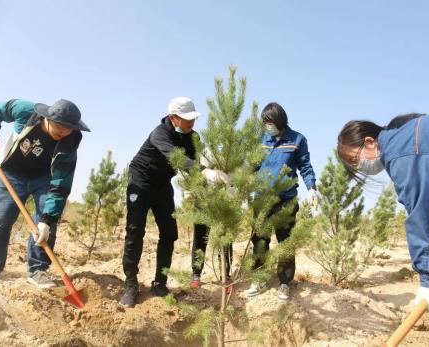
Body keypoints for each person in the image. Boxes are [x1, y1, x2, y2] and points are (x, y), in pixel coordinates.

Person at [337, 112, 429, 347]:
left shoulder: (402, 151)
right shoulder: (406, 137)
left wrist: (428, 279)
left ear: (370, 142)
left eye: (355, 159)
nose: (360, 167)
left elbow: (420, 213)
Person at [0, 99, 90, 289]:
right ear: (47, 117)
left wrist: (47, 219)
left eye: (69, 128)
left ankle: (38, 269)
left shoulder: (69, 144)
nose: (63, 132)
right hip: (12, 173)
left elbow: (60, 186)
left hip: (44, 180)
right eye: (59, 126)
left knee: (46, 225)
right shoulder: (26, 112)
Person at [120, 97, 227, 308]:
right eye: (186, 119)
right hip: (141, 181)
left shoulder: (193, 138)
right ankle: (130, 284)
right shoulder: (160, 133)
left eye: (193, 118)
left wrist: (206, 181)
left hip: (162, 185)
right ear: (173, 118)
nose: (191, 122)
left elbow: (197, 163)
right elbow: (175, 158)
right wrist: (204, 171)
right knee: (135, 230)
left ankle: (160, 282)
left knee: (169, 232)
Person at [245, 102, 317, 301]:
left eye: (270, 122)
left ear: (280, 121)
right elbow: (251, 166)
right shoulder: (260, 140)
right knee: (260, 240)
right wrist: (238, 183)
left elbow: (305, 166)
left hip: (286, 200)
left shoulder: (297, 140)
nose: (267, 126)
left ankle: (285, 283)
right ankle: (258, 279)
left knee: (285, 242)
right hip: (262, 200)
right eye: (264, 122)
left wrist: (311, 187)